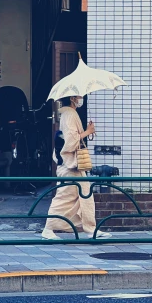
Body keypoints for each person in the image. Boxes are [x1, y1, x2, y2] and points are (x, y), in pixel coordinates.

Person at [41, 95, 109, 240]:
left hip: (71, 165)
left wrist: (86, 131)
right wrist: (88, 131)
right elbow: (71, 141)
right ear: (72, 98)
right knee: (65, 197)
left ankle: (90, 229)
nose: (80, 99)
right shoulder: (70, 114)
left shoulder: (67, 113)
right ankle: (48, 229)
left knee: (83, 196)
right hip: (70, 166)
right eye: (78, 96)